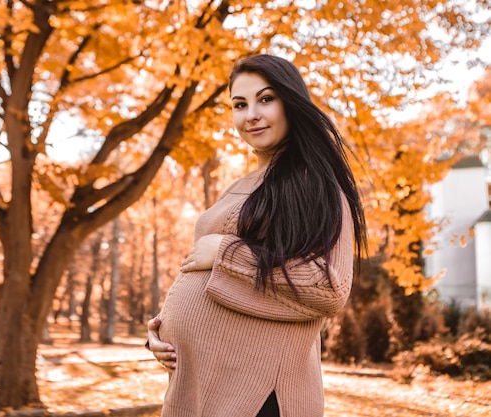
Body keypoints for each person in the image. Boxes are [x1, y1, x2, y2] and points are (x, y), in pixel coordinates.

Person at [146, 54, 367, 417]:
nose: (251, 114)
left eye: (266, 99)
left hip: (259, 397)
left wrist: (226, 253)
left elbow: (329, 287)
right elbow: (204, 281)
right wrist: (160, 333)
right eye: (239, 104)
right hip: (201, 385)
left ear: (291, 103)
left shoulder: (312, 183)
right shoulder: (241, 185)